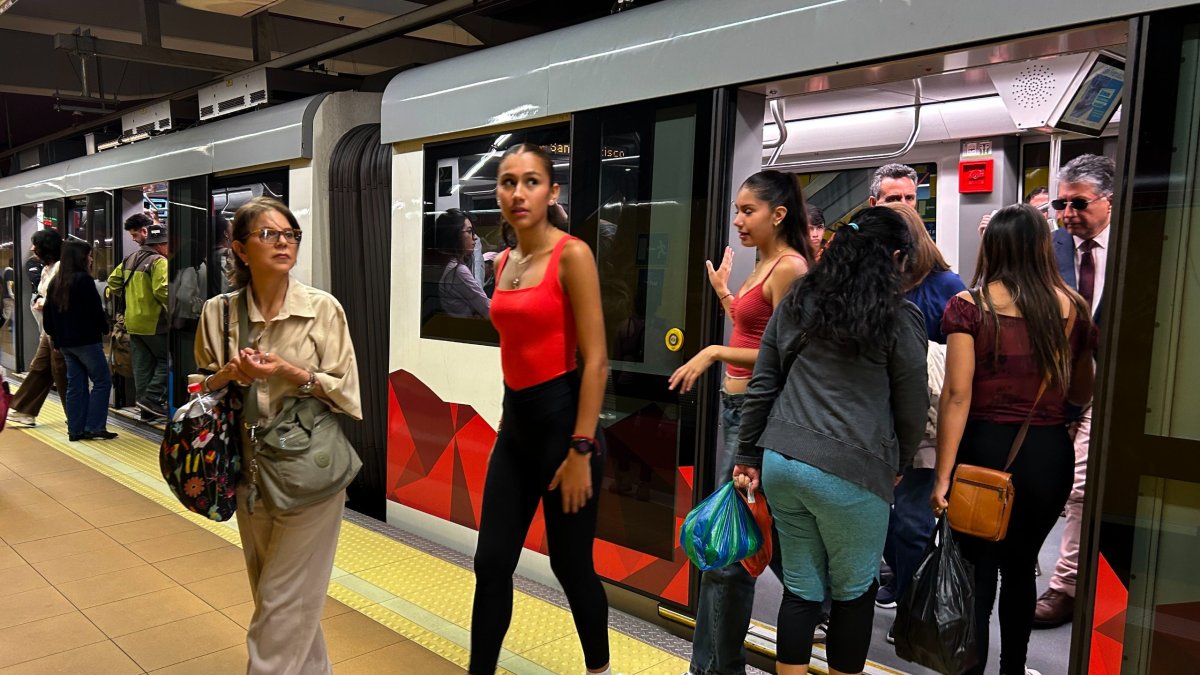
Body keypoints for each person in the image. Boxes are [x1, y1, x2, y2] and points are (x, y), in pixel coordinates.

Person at [734, 207, 928, 675]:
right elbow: (913, 405)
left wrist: (747, 453)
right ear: (895, 258)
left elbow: (764, 383)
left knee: (801, 590)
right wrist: (899, 461)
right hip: (853, 470)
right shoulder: (898, 317)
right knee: (853, 594)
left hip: (784, 463)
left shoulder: (798, 300)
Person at [194, 196, 361, 674]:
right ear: (240, 249)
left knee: (281, 605)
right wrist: (230, 375)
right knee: (281, 599)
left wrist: (291, 372)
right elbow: (200, 388)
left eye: (290, 234)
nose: (284, 242)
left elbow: (346, 393)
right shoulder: (218, 313)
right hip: (248, 473)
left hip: (311, 472)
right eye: (268, 234)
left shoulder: (322, 310)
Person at [932, 203, 1097, 675]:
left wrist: (941, 477)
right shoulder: (1073, 309)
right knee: (1022, 568)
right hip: (1047, 456)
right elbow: (1081, 392)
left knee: (978, 571)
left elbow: (957, 395)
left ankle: (971, 667)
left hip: (982, 453)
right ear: (1043, 247)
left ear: (994, 248)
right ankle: (1014, 668)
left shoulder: (969, 306)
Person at [470, 143, 612, 675]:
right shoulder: (504, 262)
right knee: (491, 563)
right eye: (508, 182)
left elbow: (596, 361)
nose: (518, 192)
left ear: (552, 193)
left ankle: (599, 669)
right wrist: (508, 418)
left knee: (571, 566)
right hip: (517, 433)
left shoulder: (572, 255)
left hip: (566, 434)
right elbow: (515, 351)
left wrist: (581, 448)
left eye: (531, 181)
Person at [669, 170, 812, 675]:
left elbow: (785, 355)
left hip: (760, 416)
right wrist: (726, 295)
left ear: (779, 214)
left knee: (729, 551)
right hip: (737, 412)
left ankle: (716, 668)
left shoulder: (790, 268)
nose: (738, 221)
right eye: (737, 211)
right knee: (734, 541)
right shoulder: (764, 263)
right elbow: (756, 332)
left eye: (748, 211)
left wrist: (712, 352)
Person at [876, 203, 966, 620]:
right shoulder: (876, 284)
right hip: (882, 421)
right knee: (883, 519)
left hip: (926, 423)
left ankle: (913, 611)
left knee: (911, 521)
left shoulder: (946, 286)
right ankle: (901, 580)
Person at [1034, 154, 1114, 628]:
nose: (1067, 214)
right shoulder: (1050, 247)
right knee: (1059, 485)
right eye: (1061, 204)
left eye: (1078, 204)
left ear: (1109, 201)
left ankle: (1066, 586)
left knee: (1084, 488)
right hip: (1058, 387)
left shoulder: (1138, 244)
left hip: (1115, 385)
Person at [41, 241, 116, 442]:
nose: (91, 259)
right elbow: (95, 310)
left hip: (65, 344)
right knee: (102, 381)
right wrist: (105, 328)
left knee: (76, 385)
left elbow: (48, 317)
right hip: (86, 341)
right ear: (80, 258)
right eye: (89, 255)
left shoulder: (56, 282)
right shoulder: (84, 280)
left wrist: (56, 337)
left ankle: (75, 430)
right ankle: (94, 427)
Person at [6, 228, 69, 427]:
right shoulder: (46, 268)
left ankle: (76, 416)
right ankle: (23, 410)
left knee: (61, 372)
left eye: (36, 244)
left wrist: (45, 303)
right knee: (41, 368)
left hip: (59, 329)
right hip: (48, 329)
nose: (33, 248)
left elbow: (62, 297)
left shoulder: (61, 267)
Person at [107, 217, 169, 420]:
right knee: (168, 359)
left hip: (132, 322)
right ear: (161, 244)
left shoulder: (130, 258)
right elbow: (162, 290)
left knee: (142, 366)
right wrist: (176, 307)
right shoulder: (159, 261)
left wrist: (133, 298)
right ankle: (151, 398)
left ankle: (146, 411)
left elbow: (113, 282)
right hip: (153, 322)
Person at [430, 208, 490, 318]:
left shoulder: (447, 265)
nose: (475, 238)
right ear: (455, 235)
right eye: (469, 231)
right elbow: (487, 309)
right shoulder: (458, 271)